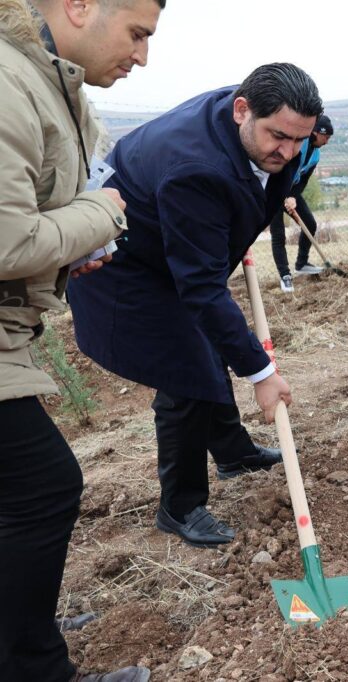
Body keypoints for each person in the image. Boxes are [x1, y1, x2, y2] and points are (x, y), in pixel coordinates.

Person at [68, 63, 323, 549]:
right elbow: (202, 289)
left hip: (176, 251)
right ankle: (180, 506)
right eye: (278, 138)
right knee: (186, 370)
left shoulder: (257, 122)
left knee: (208, 348)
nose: (288, 152)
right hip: (128, 270)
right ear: (242, 110)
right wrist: (261, 373)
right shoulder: (196, 169)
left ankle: (232, 452)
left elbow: (264, 184)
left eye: (299, 140)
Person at [1, 0, 163, 678]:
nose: (142, 56)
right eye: (137, 34)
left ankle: (20, 621)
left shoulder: (56, 86)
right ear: (79, 7)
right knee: (43, 488)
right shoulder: (9, 86)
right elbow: (9, 239)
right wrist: (97, 217)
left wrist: (79, 239)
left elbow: (54, 209)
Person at [268, 113, 332, 293]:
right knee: (278, 234)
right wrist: (283, 195)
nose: (326, 141)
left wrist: (293, 196)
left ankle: (301, 263)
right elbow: (282, 170)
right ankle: (285, 275)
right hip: (273, 190)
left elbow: (303, 179)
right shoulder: (298, 144)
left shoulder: (316, 155)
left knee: (310, 223)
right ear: (317, 132)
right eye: (326, 137)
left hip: (291, 191)